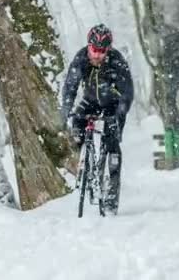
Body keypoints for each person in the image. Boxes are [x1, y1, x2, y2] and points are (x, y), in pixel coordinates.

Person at [61, 24, 134, 215]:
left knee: (113, 147)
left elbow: (127, 93)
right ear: (88, 46)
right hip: (90, 101)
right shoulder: (81, 58)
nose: (97, 55)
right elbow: (70, 86)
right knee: (76, 123)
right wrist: (66, 110)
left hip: (113, 105)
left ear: (108, 49)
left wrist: (119, 115)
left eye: (102, 51)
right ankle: (85, 166)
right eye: (94, 50)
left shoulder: (117, 61)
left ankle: (111, 196)